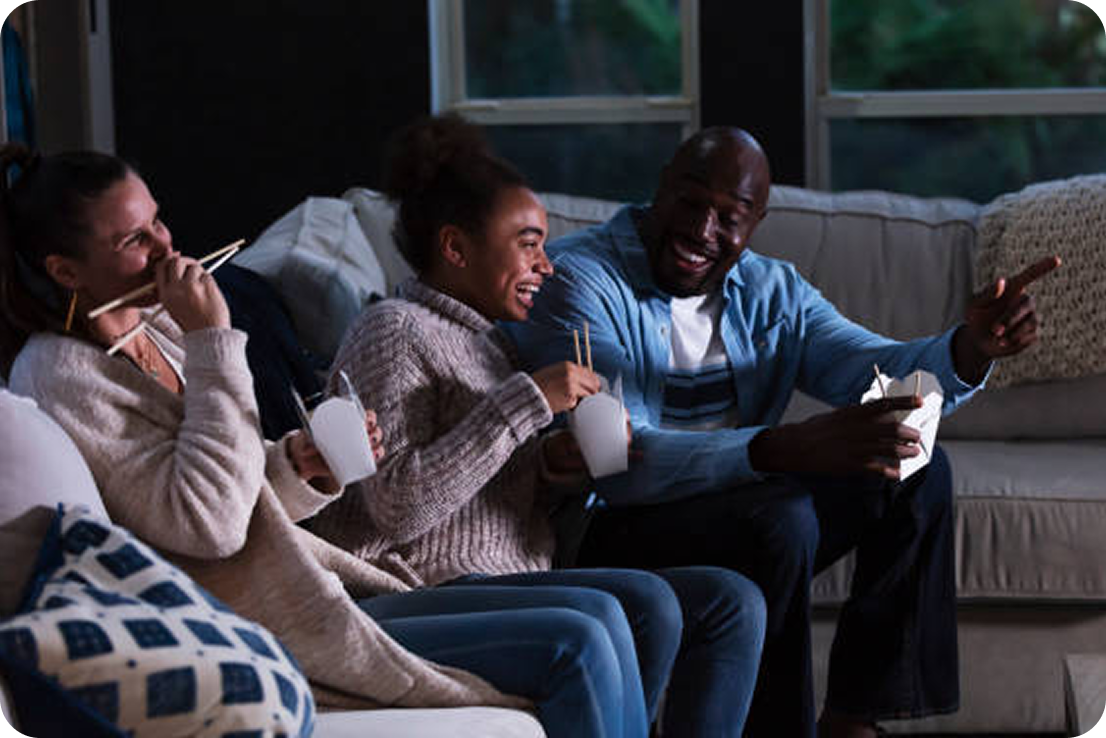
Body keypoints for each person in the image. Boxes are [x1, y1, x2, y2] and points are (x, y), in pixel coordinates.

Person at [0, 144, 661, 738]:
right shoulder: (64, 375)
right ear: (65, 270)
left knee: (617, 614)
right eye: (134, 239)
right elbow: (210, 527)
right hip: (249, 615)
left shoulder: (156, 328)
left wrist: (297, 467)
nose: (167, 248)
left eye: (159, 220)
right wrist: (213, 342)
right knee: (578, 636)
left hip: (314, 579)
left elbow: (235, 483)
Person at [504, 126, 1061, 738]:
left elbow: (875, 373)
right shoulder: (579, 281)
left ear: (757, 223)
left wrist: (970, 349)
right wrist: (778, 448)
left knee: (916, 464)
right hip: (610, 524)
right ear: (660, 190)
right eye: (690, 202)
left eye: (730, 217)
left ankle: (852, 721)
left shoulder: (771, 293)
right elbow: (614, 460)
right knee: (782, 513)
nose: (702, 231)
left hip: (742, 503)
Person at [306, 113, 767, 738]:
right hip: (407, 589)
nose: (546, 265)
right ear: (456, 248)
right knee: (644, 605)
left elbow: (490, 496)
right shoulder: (393, 329)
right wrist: (528, 400)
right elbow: (397, 507)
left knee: (731, 602)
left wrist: (555, 468)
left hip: (512, 583)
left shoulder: (494, 347)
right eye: (528, 243)